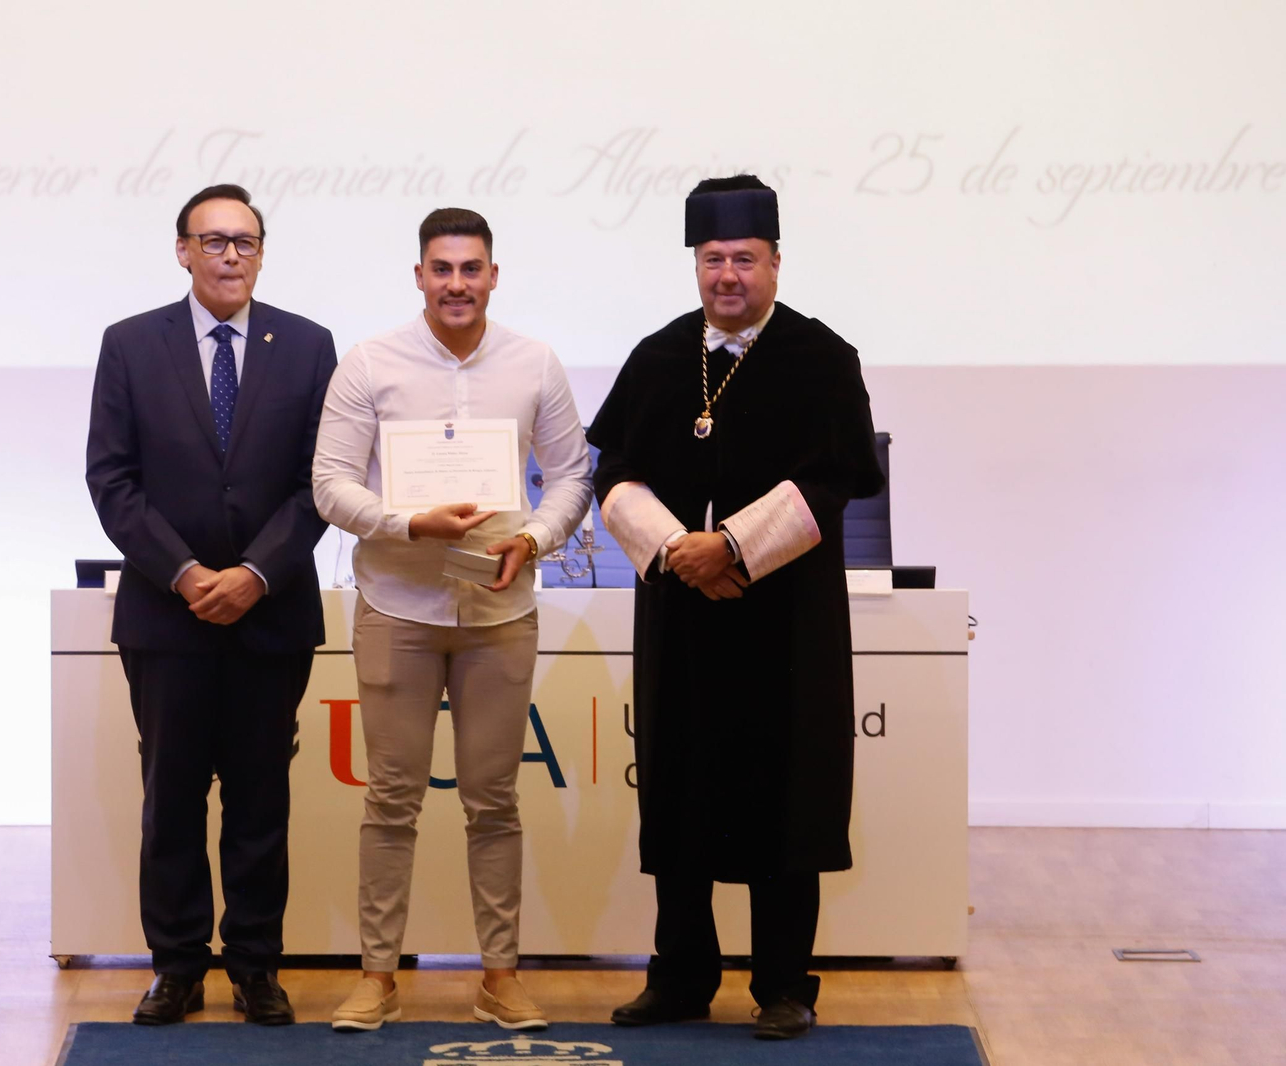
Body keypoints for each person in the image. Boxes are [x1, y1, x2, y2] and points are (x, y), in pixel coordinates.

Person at [589, 175, 884, 1041]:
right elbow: (615, 473)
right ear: (696, 264)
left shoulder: (821, 358)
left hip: (786, 623)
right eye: (713, 258)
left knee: (786, 794)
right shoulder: (659, 357)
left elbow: (837, 479)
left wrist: (736, 549)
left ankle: (784, 984)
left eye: (745, 258)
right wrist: (678, 550)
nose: (728, 275)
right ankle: (680, 976)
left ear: (776, 263)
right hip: (683, 619)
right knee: (679, 791)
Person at [312, 208, 592, 1032]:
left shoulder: (534, 363)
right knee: (391, 800)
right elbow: (330, 484)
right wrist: (409, 525)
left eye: (472, 269)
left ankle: (499, 977)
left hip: (499, 610)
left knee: (494, 800)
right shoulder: (370, 363)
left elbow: (572, 477)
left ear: (493, 276)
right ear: (420, 276)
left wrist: (534, 539)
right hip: (397, 607)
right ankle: (378, 977)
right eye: (443, 269)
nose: (457, 284)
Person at [85, 183, 337, 1026]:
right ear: (183, 251)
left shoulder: (307, 345)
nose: (231, 255)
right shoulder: (130, 344)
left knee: (261, 801)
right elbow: (111, 479)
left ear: (261, 253)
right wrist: (186, 573)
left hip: (271, 613)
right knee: (173, 798)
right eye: (214, 240)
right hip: (168, 616)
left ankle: (256, 966)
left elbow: (320, 482)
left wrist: (256, 573)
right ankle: (178, 966)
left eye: (245, 241)